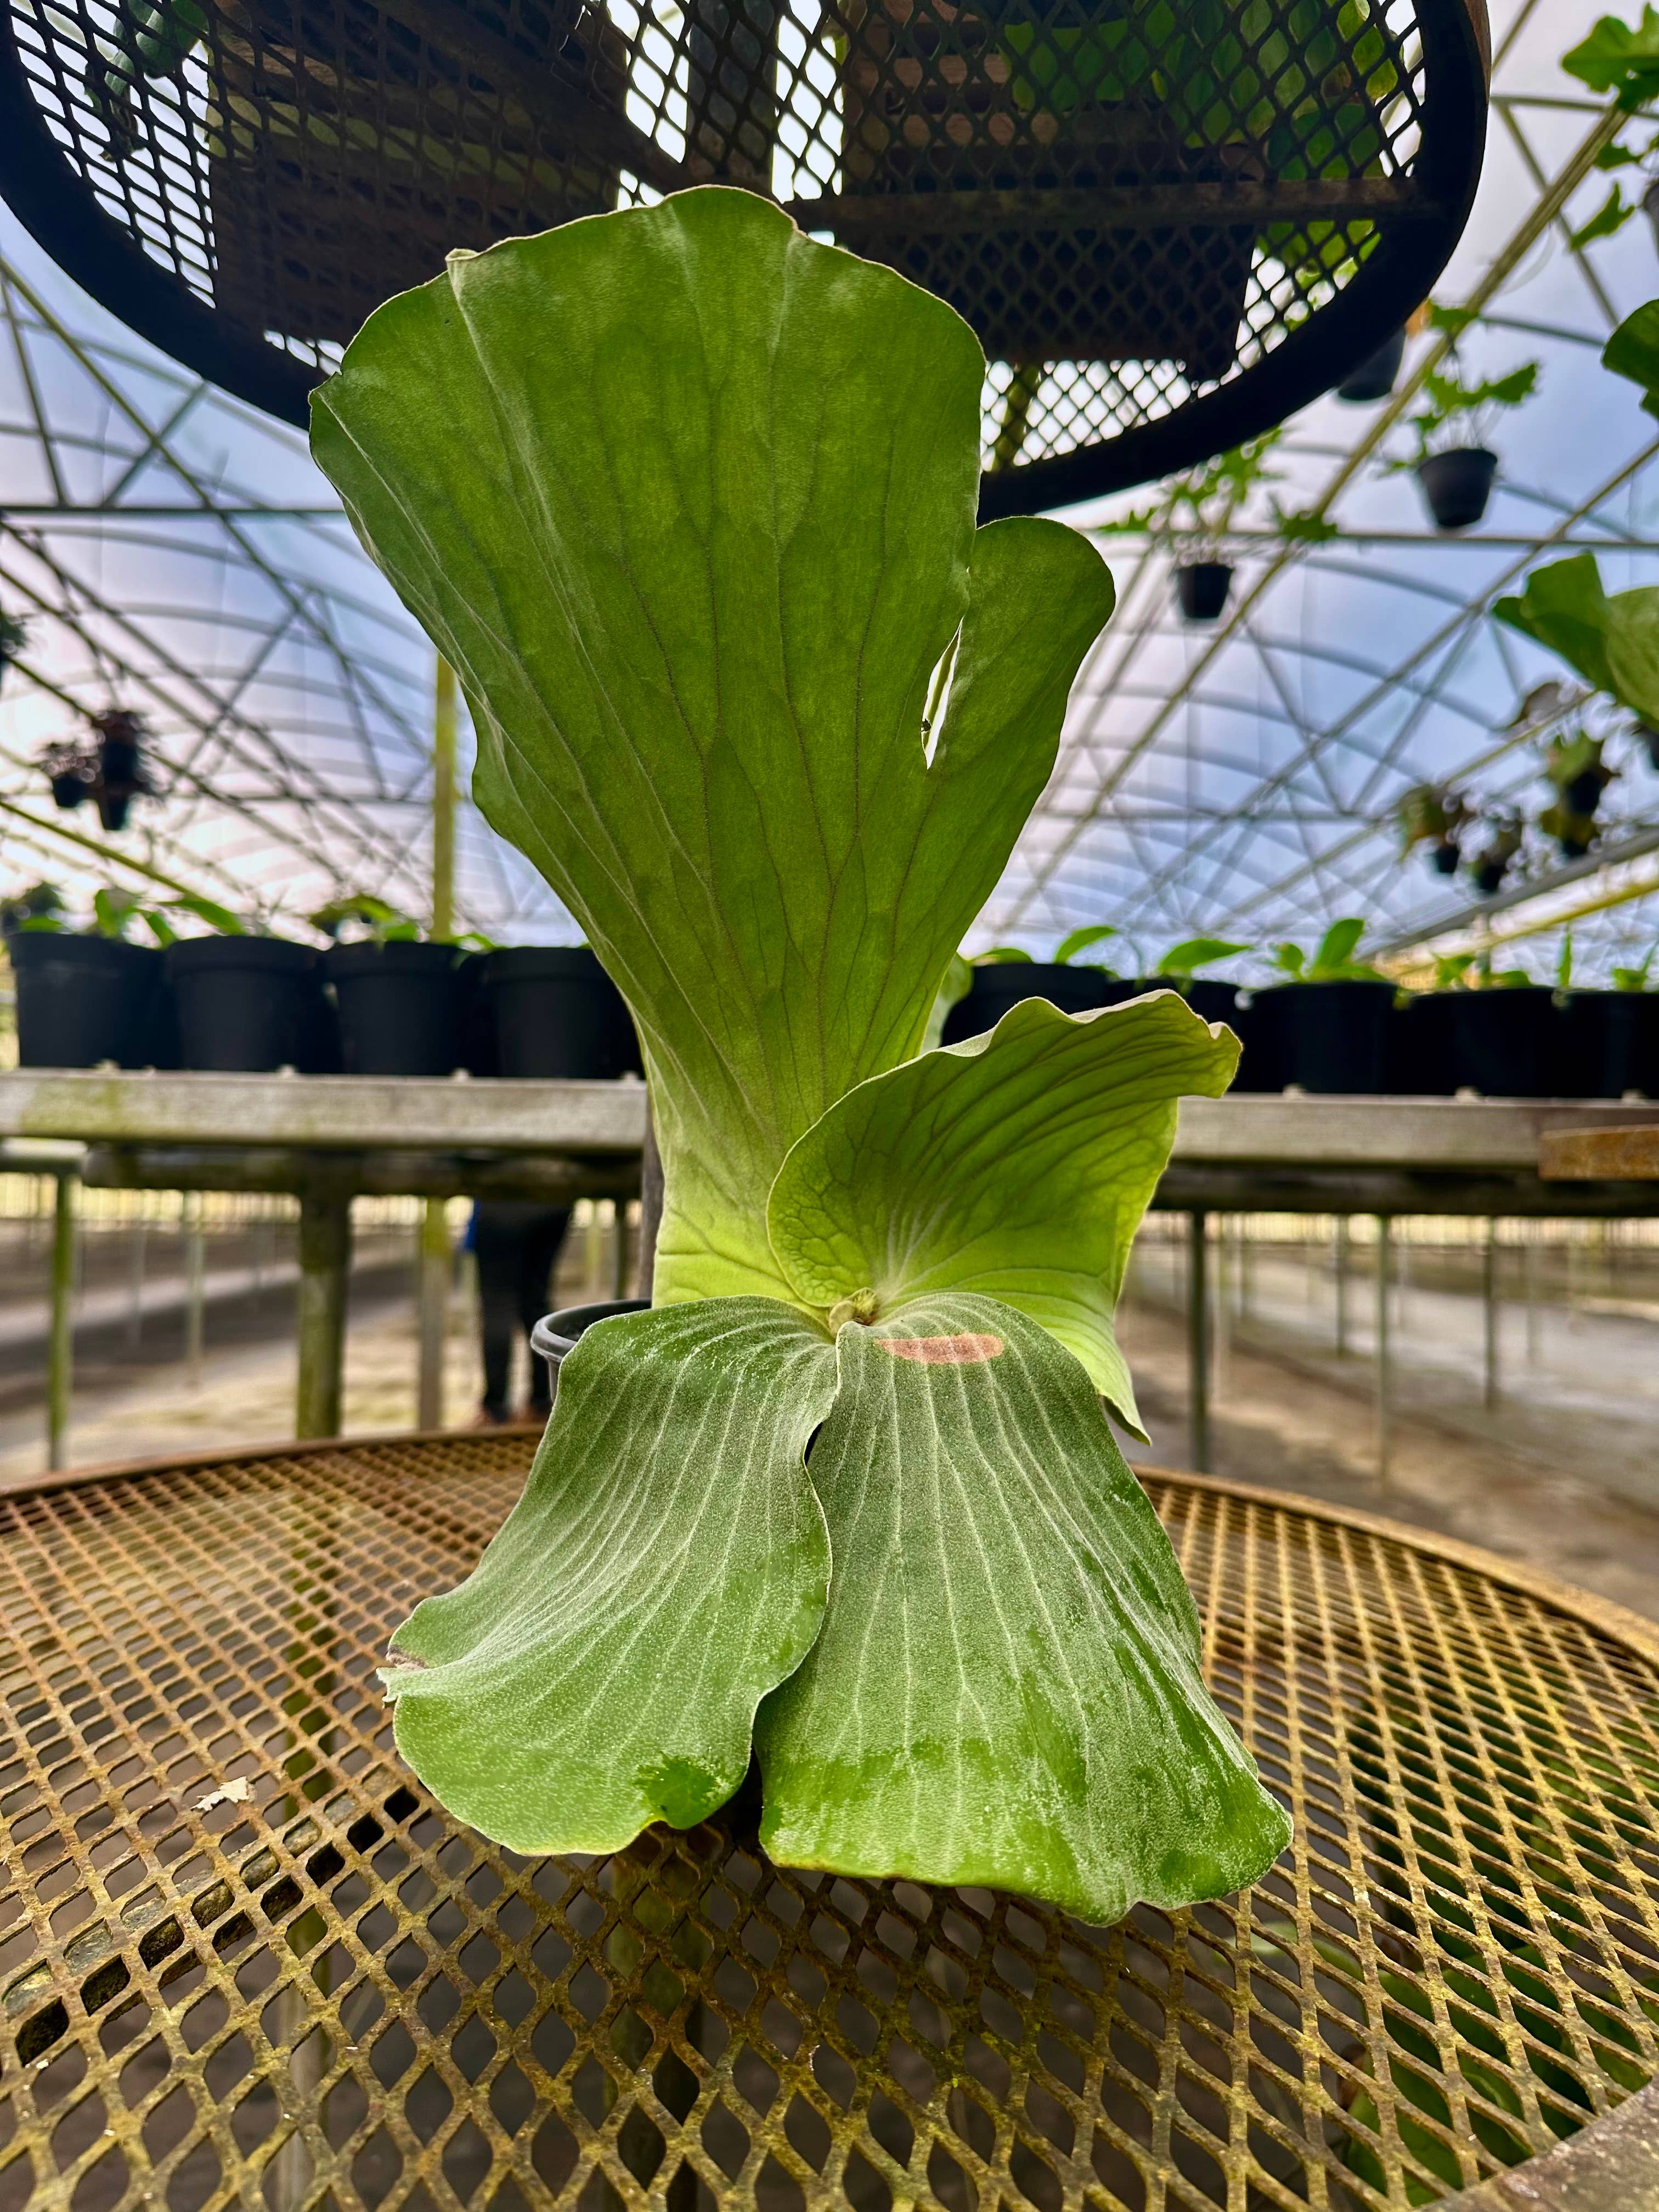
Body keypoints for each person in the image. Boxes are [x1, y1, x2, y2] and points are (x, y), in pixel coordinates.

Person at [469, 1200, 571, 1424]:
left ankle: (495, 1410)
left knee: (497, 1305)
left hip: (503, 1200)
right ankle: (542, 1403)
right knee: (536, 1302)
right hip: (556, 1199)